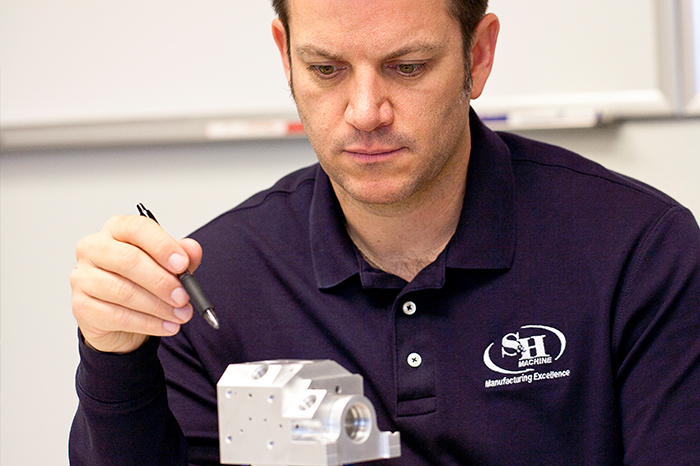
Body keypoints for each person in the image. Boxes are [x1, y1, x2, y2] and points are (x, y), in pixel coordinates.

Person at [69, 0, 700, 464]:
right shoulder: (211, 283)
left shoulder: (639, 252)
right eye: (325, 69)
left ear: (476, 58)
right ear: (284, 56)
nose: (366, 112)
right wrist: (114, 356)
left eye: (406, 67)